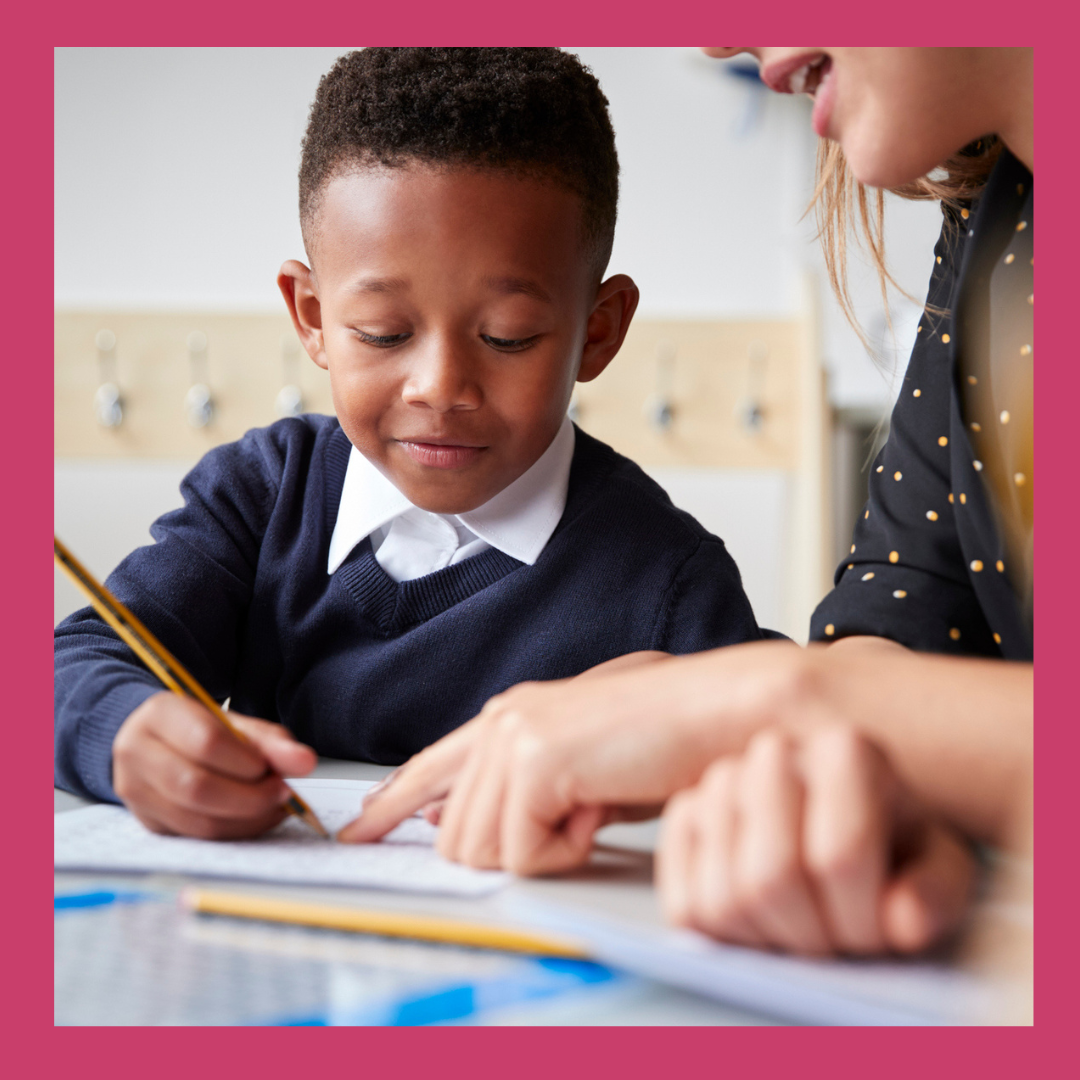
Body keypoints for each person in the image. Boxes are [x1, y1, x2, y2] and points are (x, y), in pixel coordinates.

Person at [343, 48, 1034, 959]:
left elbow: (849, 697)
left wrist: (771, 703)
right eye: (384, 333)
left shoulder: (664, 568)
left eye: (509, 337)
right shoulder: (995, 224)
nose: (714, 40)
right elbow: (901, 627)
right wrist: (867, 795)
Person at [53, 48, 773, 840]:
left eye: (508, 338)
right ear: (313, 318)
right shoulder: (260, 501)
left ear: (596, 333)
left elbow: (779, 748)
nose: (440, 386)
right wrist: (124, 732)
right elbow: (67, 670)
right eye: (384, 332)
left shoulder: (667, 584)